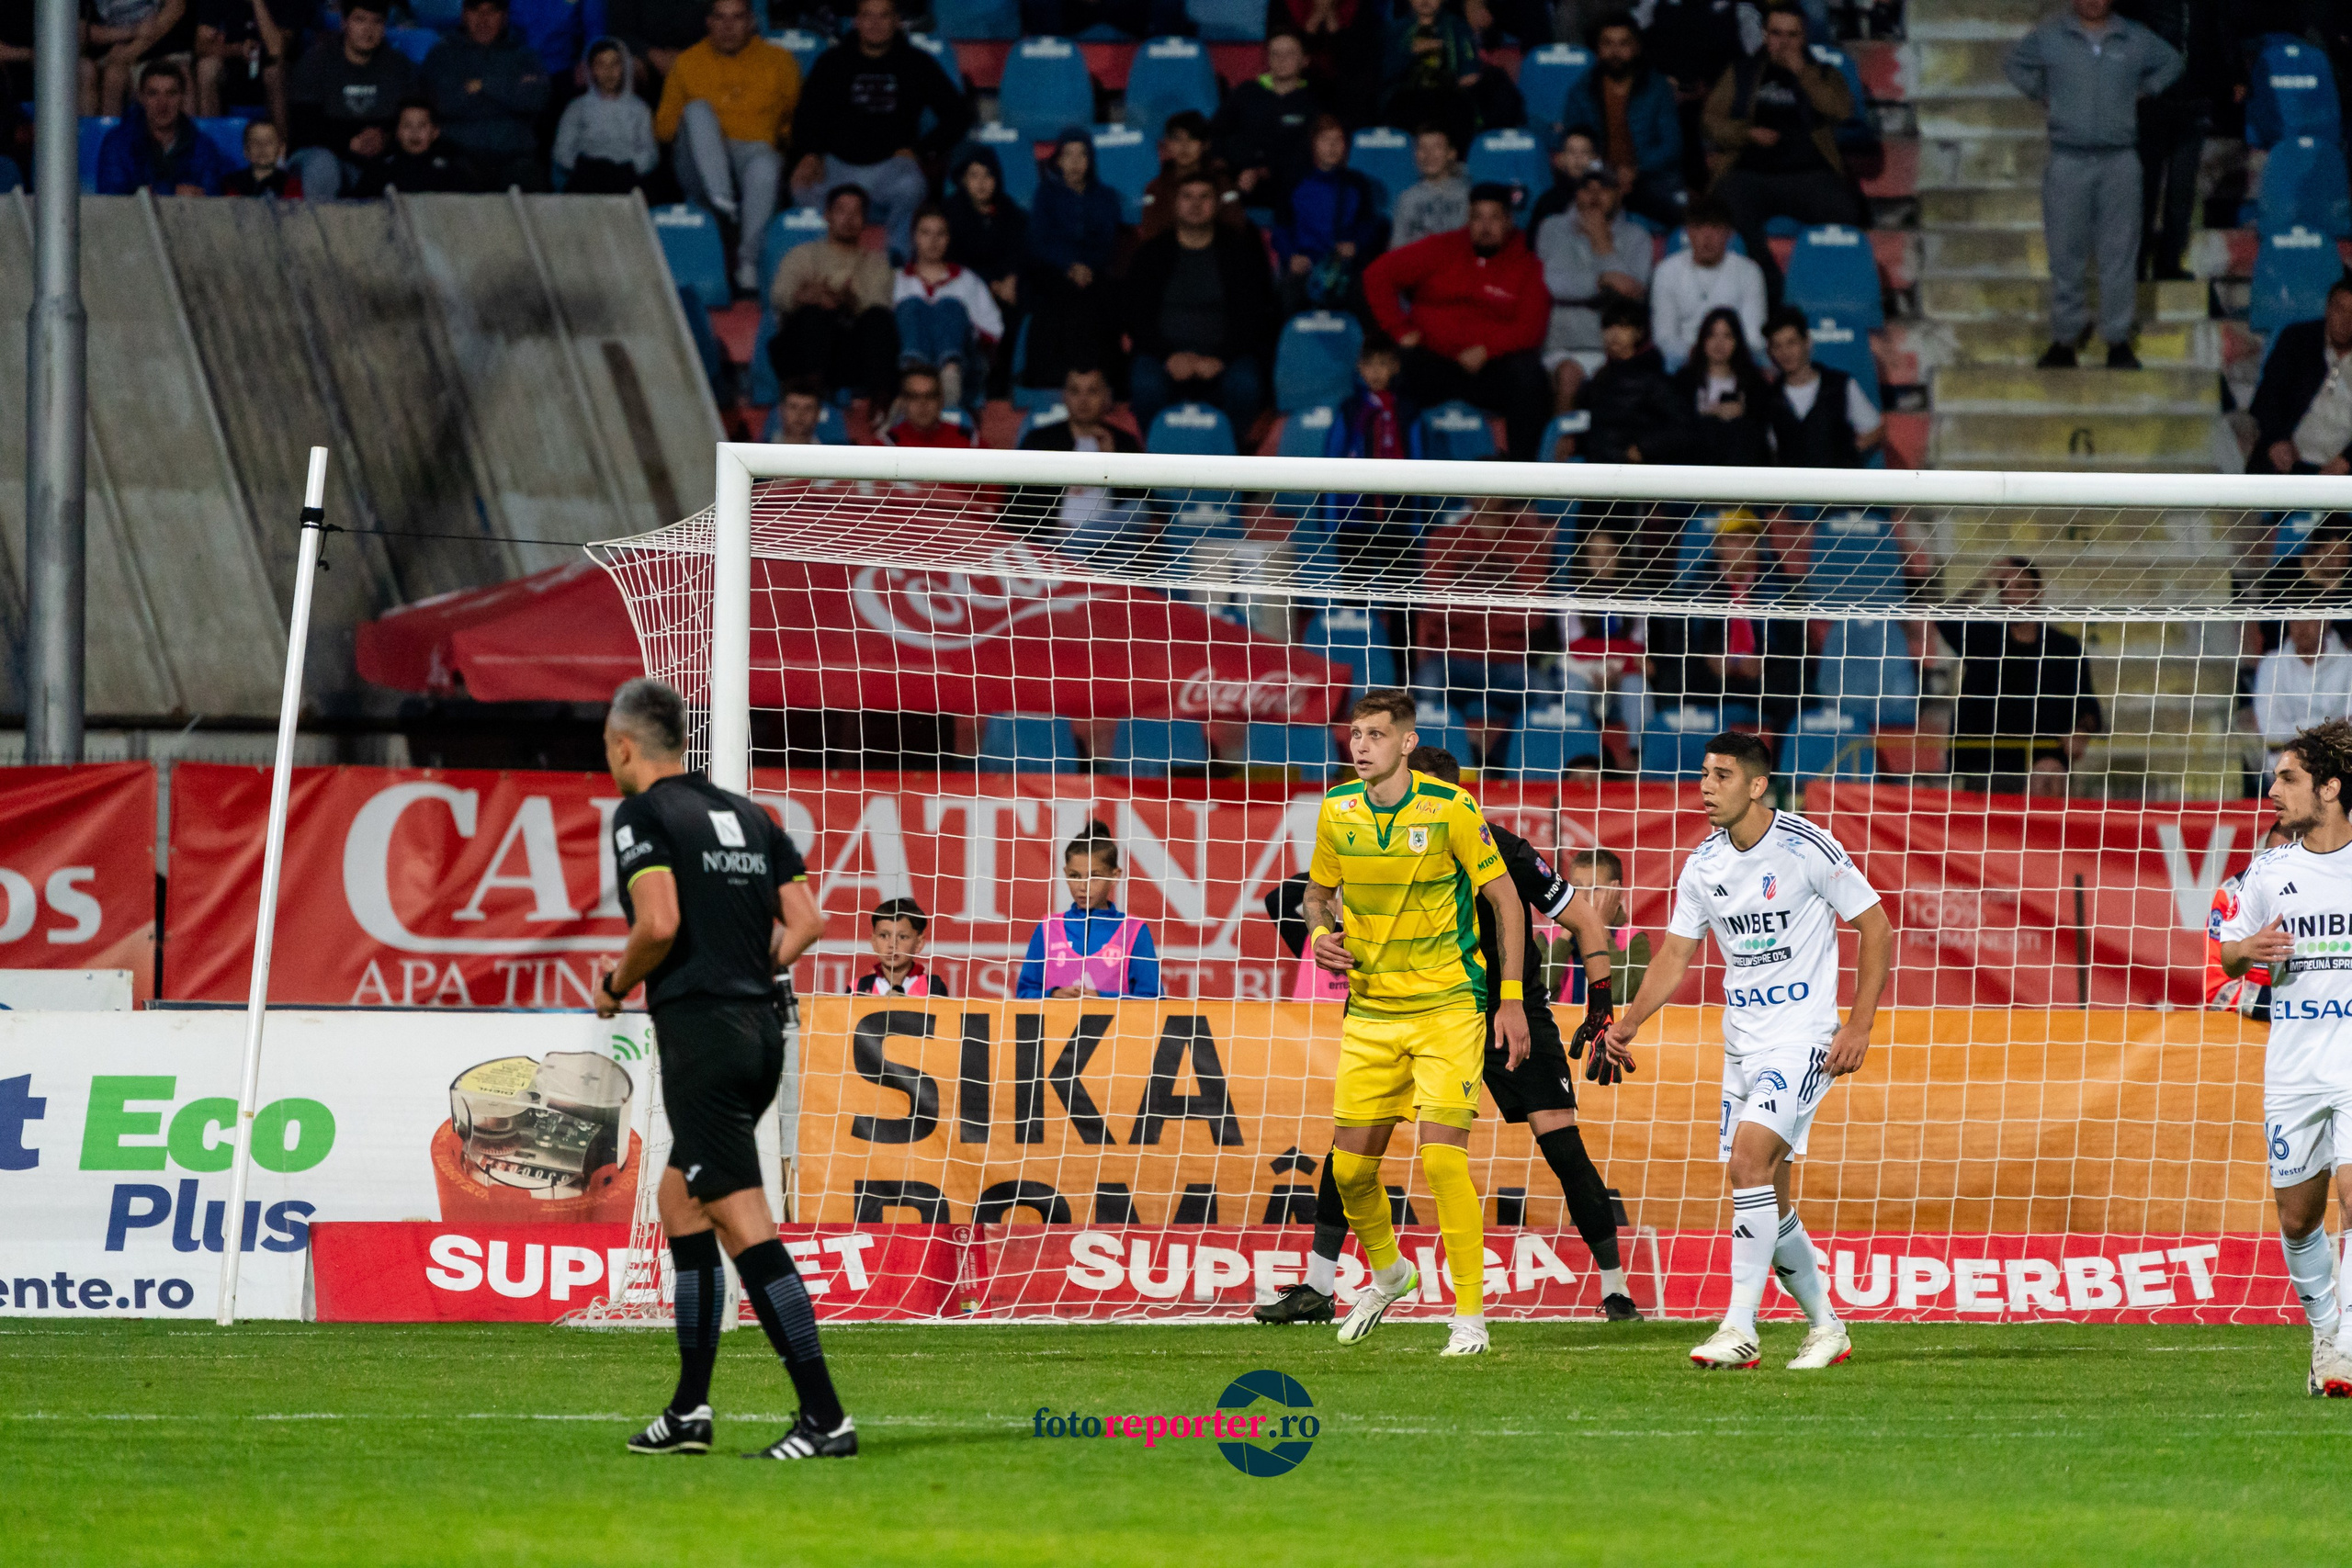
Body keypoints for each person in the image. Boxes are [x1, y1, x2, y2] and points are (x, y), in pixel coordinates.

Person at [1254, 744, 1640, 1328]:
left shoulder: (1502, 848)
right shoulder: (1375, 839)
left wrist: (1601, 1006)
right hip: (1414, 1012)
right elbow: (1291, 896)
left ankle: (1615, 1289)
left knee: (1562, 1146)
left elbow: (1584, 919)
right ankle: (1317, 1285)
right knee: (1352, 1151)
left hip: (1509, 1012)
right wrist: (1321, 929)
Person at [591, 679, 850, 1461]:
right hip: (760, 1031)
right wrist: (747, 971)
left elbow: (658, 922)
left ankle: (825, 1417)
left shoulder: (643, 814)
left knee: (742, 1219)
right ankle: (689, 1410)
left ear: (624, 746)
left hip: (703, 1038)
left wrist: (614, 984)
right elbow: (807, 922)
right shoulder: (751, 815)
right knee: (680, 1201)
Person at [1606, 732, 1892, 1371]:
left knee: (1747, 1163)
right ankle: (1827, 1327)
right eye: (1705, 773)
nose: (1707, 787)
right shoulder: (1703, 863)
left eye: (1723, 775)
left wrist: (1859, 1025)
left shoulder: (1806, 846)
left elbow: (1875, 925)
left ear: (1757, 785)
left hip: (1804, 1038)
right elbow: (1675, 953)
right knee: (1770, 1196)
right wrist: (1629, 1023)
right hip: (1742, 1047)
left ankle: (1740, 1328)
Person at [1298, 691, 1533, 1358]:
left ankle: (1469, 1317)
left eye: (1375, 735)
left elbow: (1507, 902)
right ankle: (1391, 1273)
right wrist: (1319, 934)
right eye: (1355, 734)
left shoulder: (1452, 807)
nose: (1360, 746)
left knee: (1441, 1158)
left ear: (1406, 743)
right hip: (1372, 1011)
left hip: (1448, 1006)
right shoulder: (1336, 810)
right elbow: (1316, 894)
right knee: (1349, 1173)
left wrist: (1510, 999)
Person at [2215, 719, 2352, 1397]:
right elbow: (2227, 954)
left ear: (2330, 787)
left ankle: (2346, 1350)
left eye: (2288, 779)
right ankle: (2326, 1334)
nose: (2272, 791)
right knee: (2299, 1219)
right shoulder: (2269, 872)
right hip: (2294, 1063)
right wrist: (2251, 949)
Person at [2005, 0, 2183, 368]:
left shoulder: (2134, 37)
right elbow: (2014, 64)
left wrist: (2146, 89)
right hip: (2067, 159)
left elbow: (2172, 62)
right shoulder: (2050, 36)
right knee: (2064, 254)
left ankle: (2117, 339)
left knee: (2119, 255)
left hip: (2119, 161)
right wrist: (2043, 93)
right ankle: (2065, 338)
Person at [1363, 183, 1551, 462]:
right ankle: (1396, 468)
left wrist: (1487, 350)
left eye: (1494, 218)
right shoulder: (1443, 248)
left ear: (1509, 221)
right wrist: (1399, 329)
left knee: (1530, 377)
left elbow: (1530, 327)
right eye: (1478, 217)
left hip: (1490, 369)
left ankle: (1520, 473)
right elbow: (1377, 275)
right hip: (1436, 361)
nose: (1485, 227)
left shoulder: (1527, 261)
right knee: (1397, 365)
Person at [1702, 2, 1862, 293]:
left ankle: (1818, 287)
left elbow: (1841, 111)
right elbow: (1711, 121)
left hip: (1808, 174)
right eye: (1776, 34)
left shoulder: (1823, 73)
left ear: (1804, 37)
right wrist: (1747, 134)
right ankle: (1768, 283)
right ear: (1765, 35)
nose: (1784, 43)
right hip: (1750, 174)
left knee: (1845, 210)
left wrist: (1803, 72)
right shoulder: (1742, 72)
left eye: (1792, 35)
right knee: (1726, 203)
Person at [789, 0, 970, 257]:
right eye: (868, 16)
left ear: (896, 21)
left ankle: (897, 260)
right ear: (856, 21)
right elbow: (806, 114)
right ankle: (825, 262)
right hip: (837, 166)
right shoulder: (831, 61)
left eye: (883, 16)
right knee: (801, 186)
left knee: (913, 186)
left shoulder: (917, 63)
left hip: (890, 169)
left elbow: (959, 114)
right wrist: (810, 153)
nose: (875, 24)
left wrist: (921, 150)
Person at [652, 0, 795, 291]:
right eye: (720, 18)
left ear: (751, 22)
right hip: (699, 161)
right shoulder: (688, 61)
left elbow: (795, 122)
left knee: (766, 163)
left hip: (754, 153)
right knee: (697, 110)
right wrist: (697, 127)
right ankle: (722, 201)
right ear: (709, 23)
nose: (728, 27)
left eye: (737, 18)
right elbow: (664, 130)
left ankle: (748, 263)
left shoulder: (780, 61)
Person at [1936, 558, 2104, 794]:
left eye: (2021, 587)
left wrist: (2081, 732)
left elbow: (2089, 709)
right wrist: (1985, 581)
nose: (2012, 596)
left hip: (2043, 768)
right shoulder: (1984, 640)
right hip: (1984, 768)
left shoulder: (2064, 648)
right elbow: (1945, 619)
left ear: (2039, 592)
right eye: (2004, 588)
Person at [1125, 173, 1276, 434]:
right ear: (1175, 203)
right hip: (1163, 356)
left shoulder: (1240, 252)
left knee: (1246, 385)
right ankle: (1156, 453)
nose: (1195, 204)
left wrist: (1220, 358)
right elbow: (1136, 317)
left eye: (1204, 197)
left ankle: (1228, 453)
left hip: (1226, 356)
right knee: (1145, 386)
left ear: (1216, 204)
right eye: (1187, 197)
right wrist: (1168, 357)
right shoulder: (1151, 254)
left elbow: (1254, 315)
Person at [1646, 510, 1810, 738]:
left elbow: (1793, 642)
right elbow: (1678, 642)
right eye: (1733, 540)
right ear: (1718, 547)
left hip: (1763, 677)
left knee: (1796, 687)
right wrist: (1707, 659)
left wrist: (1765, 660)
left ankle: (1781, 757)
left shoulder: (1779, 585)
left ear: (1758, 546)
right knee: (1675, 679)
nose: (1740, 548)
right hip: (1710, 677)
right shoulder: (1698, 586)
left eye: (1748, 541)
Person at [1414, 495, 1555, 758]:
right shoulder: (1443, 540)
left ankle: (1500, 757)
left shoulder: (1529, 543)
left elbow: (1532, 617)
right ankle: (1455, 755)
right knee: (1427, 686)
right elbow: (1439, 609)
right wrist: (1500, 607)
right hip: (1453, 659)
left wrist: (1467, 602)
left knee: (1545, 693)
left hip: (1508, 662)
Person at [2122, 0, 2237, 281]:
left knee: (2181, 190)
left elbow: (2220, 28)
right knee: (2146, 188)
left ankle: (2169, 262)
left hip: (2194, 101)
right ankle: (2137, 262)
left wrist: (2234, 74)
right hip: (2155, 102)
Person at [767, 184, 898, 410]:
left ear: (865, 220)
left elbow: (878, 302)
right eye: (841, 211)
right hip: (805, 349)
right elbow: (779, 294)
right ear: (827, 215)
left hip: (851, 351)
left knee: (879, 318)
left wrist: (844, 299)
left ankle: (881, 406)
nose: (848, 219)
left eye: (856, 212)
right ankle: (810, 398)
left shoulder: (877, 263)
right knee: (814, 314)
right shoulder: (802, 255)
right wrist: (804, 296)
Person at [1019, 130, 1123, 400]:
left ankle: (1103, 381)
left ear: (1091, 160)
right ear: (1058, 160)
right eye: (1069, 155)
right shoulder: (1045, 195)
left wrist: (1086, 266)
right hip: (1053, 269)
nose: (1075, 162)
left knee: (1102, 302)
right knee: (1053, 300)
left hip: (1094, 270)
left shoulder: (1106, 196)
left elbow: (1106, 240)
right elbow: (1039, 240)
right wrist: (1069, 265)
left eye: (1082, 155)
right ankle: (1049, 380)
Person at [1557, 12, 1686, 228]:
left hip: (1649, 176)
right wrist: (1601, 173)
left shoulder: (1657, 88)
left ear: (1636, 48)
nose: (1615, 52)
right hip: (1596, 177)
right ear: (1598, 49)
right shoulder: (1582, 90)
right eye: (1607, 44)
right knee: (1554, 207)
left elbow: (1671, 146)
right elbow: (1572, 138)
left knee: (1679, 217)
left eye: (1623, 44)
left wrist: (1636, 170)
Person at [1015, 821, 1162, 999]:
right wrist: (1052, 995)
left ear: (1115, 875)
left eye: (1094, 877)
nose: (1083, 887)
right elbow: (1024, 994)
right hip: (1056, 1019)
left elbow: (1154, 1000)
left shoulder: (1133, 930)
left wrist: (1101, 1000)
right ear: (1065, 873)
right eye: (1075, 876)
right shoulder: (1048, 927)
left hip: (1114, 1020)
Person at [1320, 333, 1423, 582]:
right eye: (1369, 364)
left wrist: (1418, 518)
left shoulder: (1407, 411)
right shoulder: (1350, 410)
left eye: (1383, 363)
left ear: (1395, 367)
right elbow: (1332, 461)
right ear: (1359, 367)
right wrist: (1329, 517)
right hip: (1354, 519)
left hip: (1398, 517)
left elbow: (1420, 463)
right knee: (1355, 591)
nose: (1376, 371)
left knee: (1401, 592)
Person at [1535, 164, 1653, 381]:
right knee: (1568, 378)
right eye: (1587, 188)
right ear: (1576, 193)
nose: (1594, 195)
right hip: (1561, 344)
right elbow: (1550, 283)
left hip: (1614, 345)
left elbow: (1633, 296)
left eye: (1604, 188)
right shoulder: (1552, 228)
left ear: (1618, 194)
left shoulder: (1638, 237)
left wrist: (1603, 245)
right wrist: (1602, 280)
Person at [287, 0, 413, 201]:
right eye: (360, 20)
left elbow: (411, 119)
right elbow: (304, 127)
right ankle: (323, 221)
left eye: (377, 21)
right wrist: (348, 142)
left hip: (377, 158)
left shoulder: (399, 67)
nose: (368, 30)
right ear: (344, 23)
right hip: (321, 153)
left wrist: (385, 138)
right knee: (322, 164)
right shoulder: (315, 63)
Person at [420, 0, 549, 193]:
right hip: (457, 154)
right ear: (464, 14)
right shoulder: (442, 55)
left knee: (530, 179)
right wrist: (509, 93)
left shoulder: (525, 56)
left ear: (504, 17)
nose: (483, 20)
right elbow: (442, 104)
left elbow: (535, 100)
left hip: (514, 156)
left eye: (492, 12)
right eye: (476, 11)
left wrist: (483, 86)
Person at [1007, 367, 1146, 544]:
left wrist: (1113, 462)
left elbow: (1142, 505)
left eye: (1092, 391)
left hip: (1110, 546)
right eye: (1075, 391)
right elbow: (1017, 506)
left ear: (1106, 396)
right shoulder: (1040, 441)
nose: (1083, 400)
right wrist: (1050, 527)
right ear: (1064, 396)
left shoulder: (1123, 442)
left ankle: (1076, 542)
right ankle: (1073, 544)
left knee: (1139, 511)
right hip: (1054, 546)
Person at [897, 205, 1004, 412]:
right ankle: (913, 384)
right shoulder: (898, 281)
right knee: (911, 306)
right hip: (904, 368)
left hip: (963, 371)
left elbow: (993, 333)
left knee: (949, 306)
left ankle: (949, 383)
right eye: (925, 233)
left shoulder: (967, 280)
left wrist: (951, 327)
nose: (933, 241)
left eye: (940, 234)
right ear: (914, 237)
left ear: (949, 238)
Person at [1272, 115, 1381, 314]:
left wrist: (1356, 245)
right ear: (1313, 144)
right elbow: (1281, 228)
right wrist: (1291, 256)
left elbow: (1368, 225)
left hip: (1344, 267)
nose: (1332, 146)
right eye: (1325, 140)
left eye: (1338, 140)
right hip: (1306, 266)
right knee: (1286, 299)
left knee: (1366, 295)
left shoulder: (1357, 183)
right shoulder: (1294, 182)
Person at [2247, 279, 2352, 477]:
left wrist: (2347, 461)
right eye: (2340, 309)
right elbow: (2267, 397)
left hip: (2340, 472)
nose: (2346, 321)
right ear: (2328, 309)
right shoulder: (2298, 340)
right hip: (2288, 464)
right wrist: (2276, 440)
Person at [1649, 196, 1767, 368]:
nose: (1707, 236)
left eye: (1715, 228)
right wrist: (1700, 357)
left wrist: (1721, 358)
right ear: (1688, 232)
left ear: (1729, 234)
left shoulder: (1749, 271)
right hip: (1683, 364)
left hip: (1734, 361)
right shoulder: (1666, 271)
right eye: (1699, 228)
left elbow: (1754, 337)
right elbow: (1664, 337)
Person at [1762, 304, 1882, 466]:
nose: (1785, 352)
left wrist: (1846, 456)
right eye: (1777, 346)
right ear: (1770, 352)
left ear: (1807, 342)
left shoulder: (1840, 386)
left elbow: (1875, 430)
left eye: (1791, 343)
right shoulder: (1769, 398)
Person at [96, 61, 234, 196]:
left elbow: (212, 198)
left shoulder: (203, 146)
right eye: (153, 93)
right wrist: (172, 192)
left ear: (182, 97)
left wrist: (150, 192)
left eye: (171, 93)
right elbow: (112, 197)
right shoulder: (117, 143)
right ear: (141, 98)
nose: (162, 104)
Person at [1577, 298, 1690, 464]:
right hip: (1600, 467)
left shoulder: (1654, 380)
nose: (1614, 334)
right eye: (1609, 326)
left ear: (1639, 332)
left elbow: (1682, 428)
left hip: (1637, 471)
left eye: (1623, 326)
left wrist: (1643, 448)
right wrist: (1575, 441)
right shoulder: (1600, 378)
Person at [1211, 31, 1321, 201]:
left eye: (1289, 53)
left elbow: (1309, 150)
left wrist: (1264, 170)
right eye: (1275, 54)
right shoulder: (1246, 92)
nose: (1281, 60)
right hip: (1240, 179)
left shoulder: (1315, 100)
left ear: (1305, 60)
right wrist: (1234, 168)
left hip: (1293, 187)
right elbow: (1218, 131)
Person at [555, 37, 660, 195]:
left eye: (615, 64)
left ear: (625, 67)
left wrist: (629, 168)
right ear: (591, 69)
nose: (608, 71)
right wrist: (585, 167)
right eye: (601, 64)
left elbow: (650, 153)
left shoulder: (639, 109)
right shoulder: (577, 108)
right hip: (585, 180)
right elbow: (562, 151)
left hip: (627, 180)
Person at [1674, 304, 1774, 466]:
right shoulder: (1684, 381)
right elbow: (1677, 429)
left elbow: (1761, 432)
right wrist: (1710, 414)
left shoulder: (1754, 382)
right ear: (1703, 340)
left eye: (1727, 336)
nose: (1719, 343)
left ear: (1737, 341)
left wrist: (1742, 413)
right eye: (1712, 335)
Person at [2206, 820, 2288, 1017]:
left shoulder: (2335, 894)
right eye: (2271, 860)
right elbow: (2218, 992)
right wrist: (2287, 1006)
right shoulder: (2231, 894)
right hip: (2248, 1028)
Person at [1380, 0, 1484, 147]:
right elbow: (1386, 72)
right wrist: (1410, 51)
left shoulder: (1457, 27)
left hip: (1448, 97)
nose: (1425, 1)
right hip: (1406, 98)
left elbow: (1470, 72)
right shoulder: (1395, 30)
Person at [1136, 110, 1243, 243]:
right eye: (1177, 139)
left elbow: (1235, 228)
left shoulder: (1223, 184)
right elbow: (1150, 235)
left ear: (1205, 144)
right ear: (1167, 144)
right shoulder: (1155, 189)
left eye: (1192, 138)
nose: (1184, 146)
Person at [2253, 621, 2352, 761]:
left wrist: (2295, 732)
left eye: (2310, 618)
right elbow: (2270, 733)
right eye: (2295, 619)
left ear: (2326, 621)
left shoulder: (2348, 663)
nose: (2302, 626)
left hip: (2339, 761)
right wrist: (2332, 725)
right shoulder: (2271, 665)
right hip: (2284, 763)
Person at [81, 0, 190, 118]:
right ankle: (107, 127)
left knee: (181, 74)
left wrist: (132, 51)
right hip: (111, 53)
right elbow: (83, 32)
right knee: (110, 75)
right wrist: (132, 32)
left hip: (158, 48)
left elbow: (176, 7)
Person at [193, 0, 290, 125]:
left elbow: (276, 49)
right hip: (231, 68)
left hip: (271, 70)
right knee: (206, 68)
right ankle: (211, 134)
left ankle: (280, 137)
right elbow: (200, 46)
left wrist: (257, 3)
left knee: (274, 71)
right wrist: (238, 49)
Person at [353, 97, 475, 194]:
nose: (414, 132)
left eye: (422, 126)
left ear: (435, 132)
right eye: (407, 126)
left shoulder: (451, 169)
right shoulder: (380, 170)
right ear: (397, 132)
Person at [1391, 126, 1468, 250]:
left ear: (1451, 153)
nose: (1429, 155)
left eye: (1436, 147)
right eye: (1423, 148)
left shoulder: (1467, 197)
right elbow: (1397, 247)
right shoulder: (1407, 199)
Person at [854, 896, 944, 997]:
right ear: (873, 941)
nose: (892, 945)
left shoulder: (932, 987)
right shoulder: (858, 988)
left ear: (919, 943)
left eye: (902, 937)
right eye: (883, 936)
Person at [608, 0, 707, 87]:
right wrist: (651, 54)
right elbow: (619, 32)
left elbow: (708, 27)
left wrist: (684, 57)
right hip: (645, 64)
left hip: (690, 60)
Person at [878, 363, 975, 447]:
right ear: (903, 402)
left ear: (941, 400)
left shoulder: (968, 440)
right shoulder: (887, 444)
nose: (923, 403)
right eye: (914, 396)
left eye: (930, 396)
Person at [1526, 125, 1601, 231]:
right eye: (1571, 152)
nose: (1577, 159)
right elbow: (1534, 237)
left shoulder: (1604, 197)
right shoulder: (1548, 201)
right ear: (1562, 157)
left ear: (1595, 157)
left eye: (1584, 152)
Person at [221, 117, 301, 197]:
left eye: (269, 142)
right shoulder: (232, 183)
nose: (262, 147)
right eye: (255, 142)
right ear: (246, 150)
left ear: (281, 149)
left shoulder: (291, 185)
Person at [774, 377, 829, 444]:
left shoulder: (828, 450)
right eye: (793, 407)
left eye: (808, 408)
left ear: (818, 413)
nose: (800, 414)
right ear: (781, 410)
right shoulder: (763, 446)